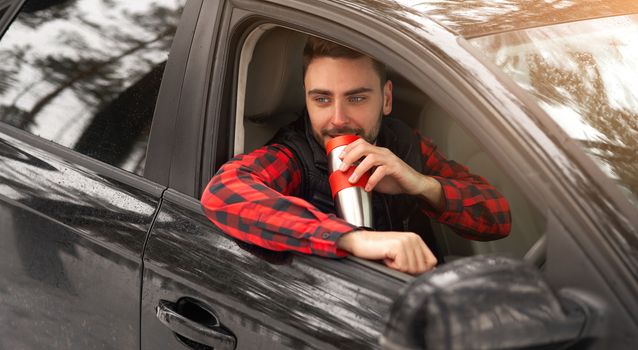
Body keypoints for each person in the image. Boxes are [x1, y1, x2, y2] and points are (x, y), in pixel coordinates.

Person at [201, 36, 511, 275]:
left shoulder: (404, 143)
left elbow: (498, 217)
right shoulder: (293, 155)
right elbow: (223, 192)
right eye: (322, 99)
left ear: (386, 99)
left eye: (357, 98)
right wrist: (353, 239)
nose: (338, 119)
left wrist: (421, 185)